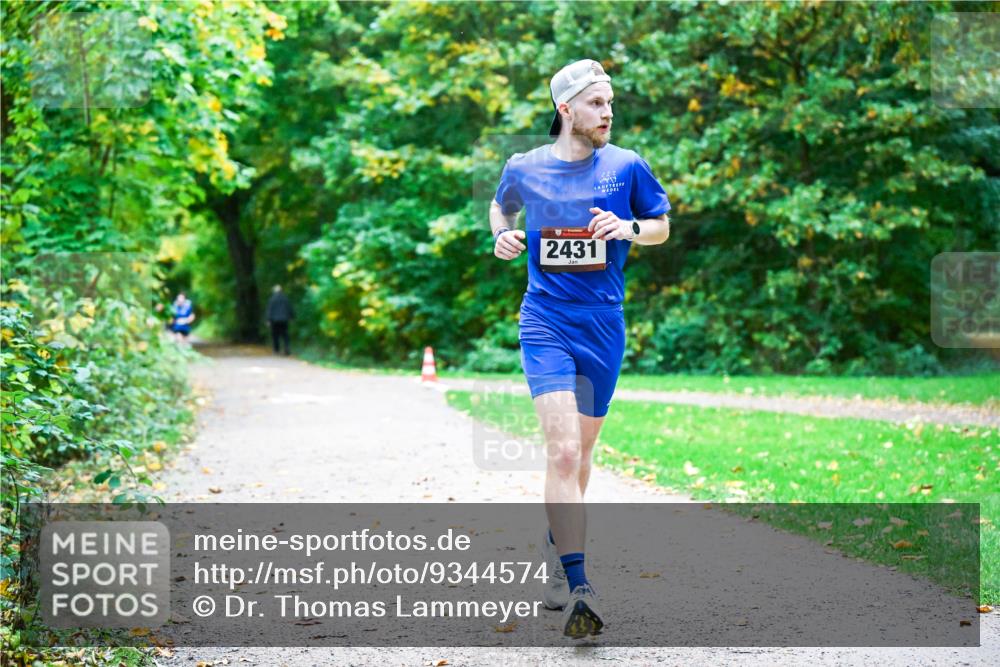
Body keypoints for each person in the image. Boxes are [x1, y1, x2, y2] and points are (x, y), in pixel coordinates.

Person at [490, 59, 671, 638]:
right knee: (564, 452)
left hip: (603, 324)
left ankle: (554, 547)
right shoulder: (526, 166)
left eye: (611, 102)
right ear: (566, 110)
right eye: (596, 103)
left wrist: (630, 231)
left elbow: (662, 224)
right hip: (544, 319)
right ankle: (578, 585)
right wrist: (502, 234)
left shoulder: (627, 166)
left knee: (583, 455)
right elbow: (502, 205)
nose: (608, 112)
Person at [266, 284, 293, 355]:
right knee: (285, 335)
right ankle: (287, 348)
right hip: (284, 319)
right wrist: (291, 317)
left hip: (275, 320)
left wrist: (268, 320)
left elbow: (269, 310)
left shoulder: (272, 299)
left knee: (275, 335)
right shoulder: (285, 298)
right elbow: (289, 308)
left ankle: (276, 350)